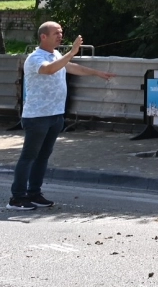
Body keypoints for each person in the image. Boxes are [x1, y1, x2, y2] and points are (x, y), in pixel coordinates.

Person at [10, 21, 112, 210]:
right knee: (29, 157)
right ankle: (17, 198)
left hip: (55, 115)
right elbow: (49, 69)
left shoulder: (56, 55)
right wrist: (72, 52)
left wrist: (97, 73)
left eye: (61, 32)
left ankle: (34, 193)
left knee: (43, 157)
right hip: (37, 116)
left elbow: (72, 67)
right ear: (43, 36)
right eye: (56, 33)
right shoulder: (35, 58)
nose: (60, 36)